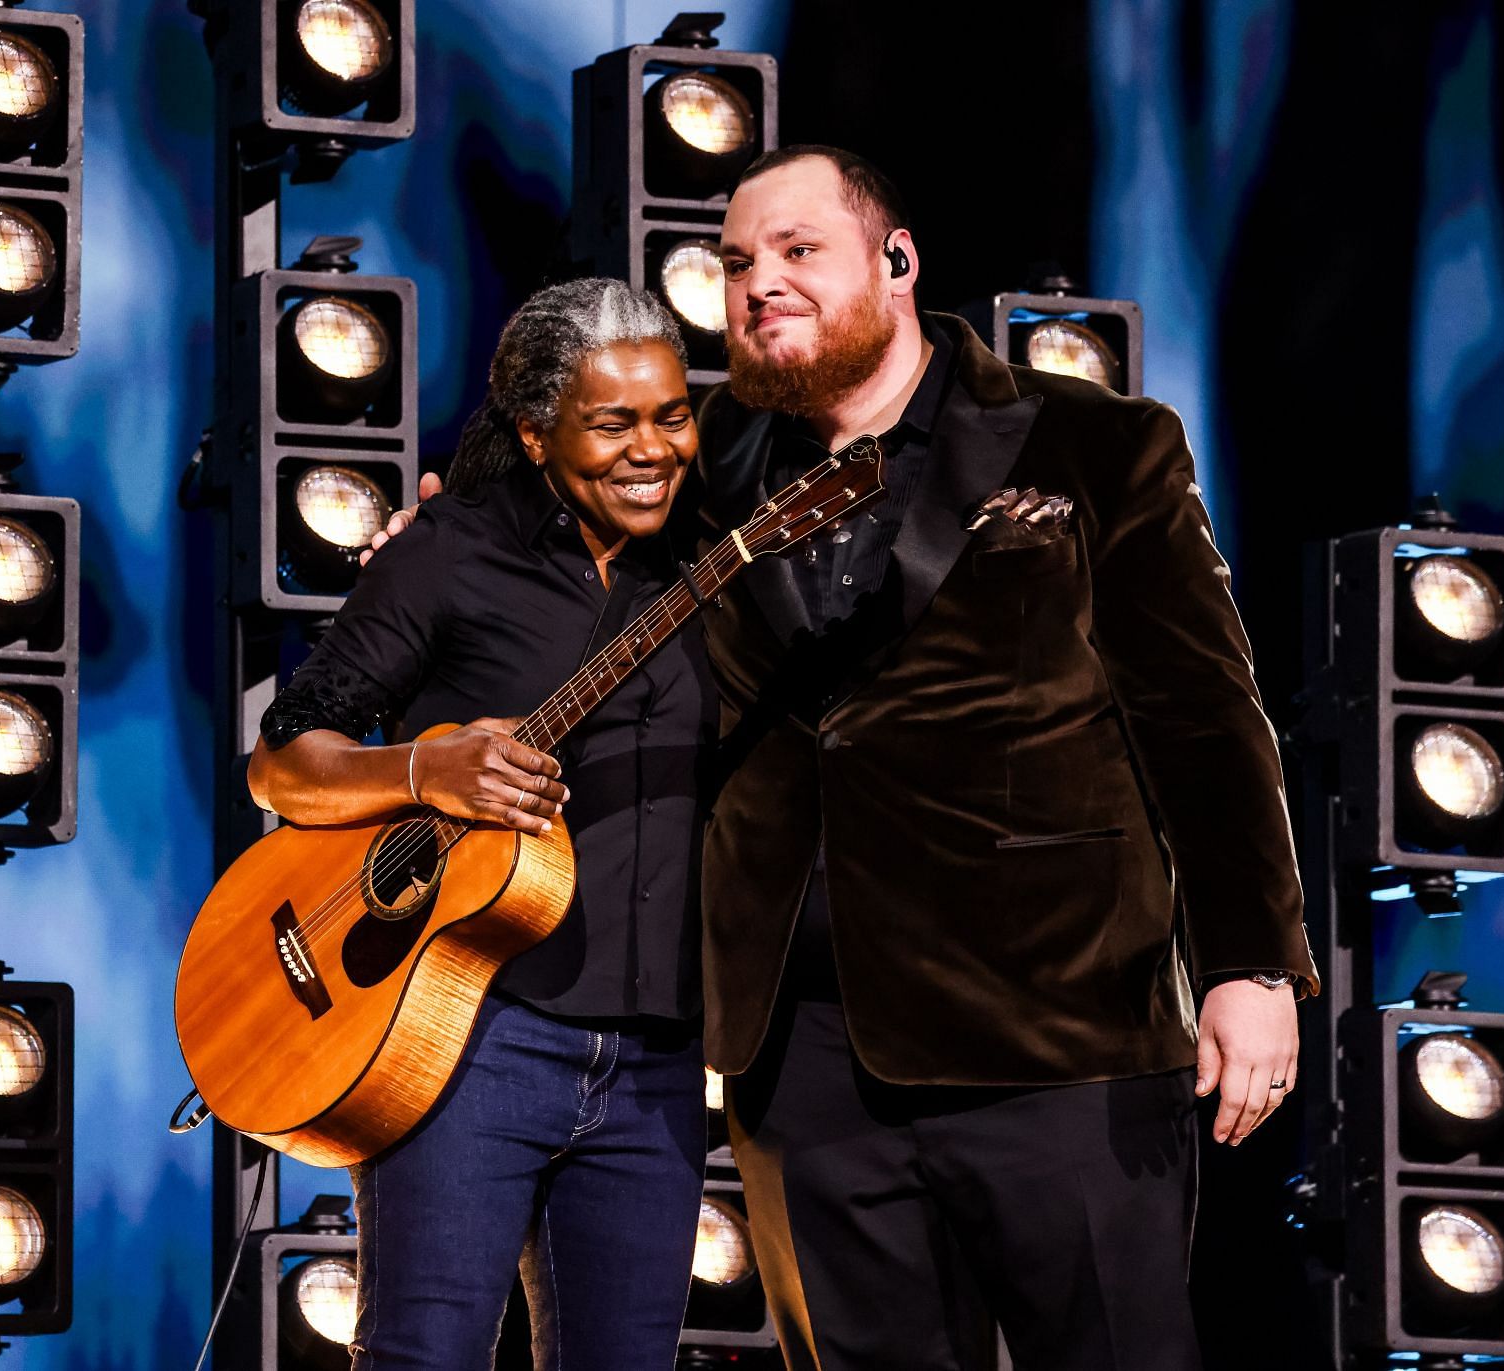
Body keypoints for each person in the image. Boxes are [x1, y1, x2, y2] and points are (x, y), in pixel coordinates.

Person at [688, 146, 1320, 1370]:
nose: (760, 282)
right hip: (804, 1057)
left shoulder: (1093, 442)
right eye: (736, 263)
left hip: (1055, 1027)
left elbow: (1205, 711)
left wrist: (1250, 961)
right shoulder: (704, 466)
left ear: (898, 261)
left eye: (797, 250)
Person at [247, 278, 713, 1370]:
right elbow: (283, 761)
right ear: (537, 435)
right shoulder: (451, 549)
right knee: (424, 1356)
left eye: (673, 414)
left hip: (658, 1060)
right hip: (469, 1037)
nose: (652, 449)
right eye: (613, 424)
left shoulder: (716, 558)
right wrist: (422, 767)